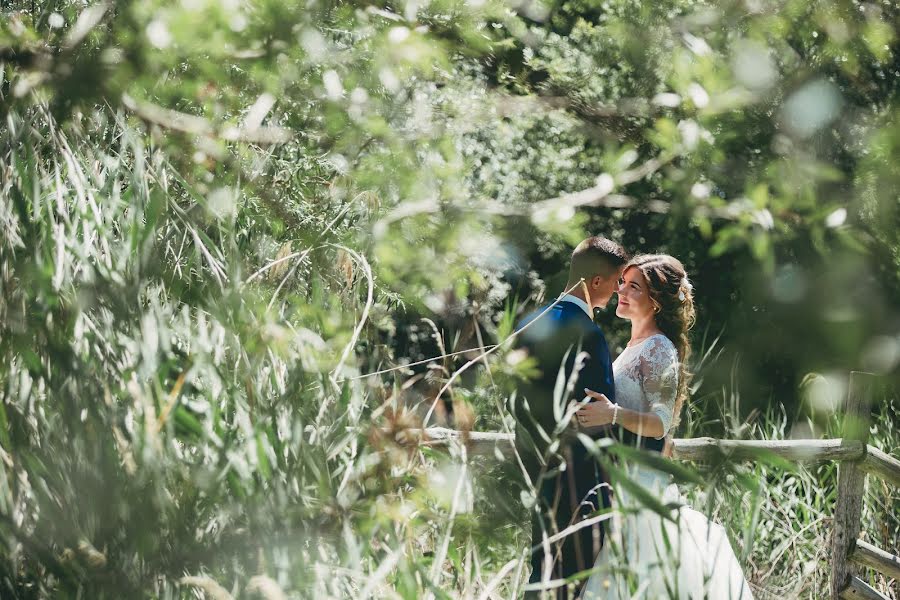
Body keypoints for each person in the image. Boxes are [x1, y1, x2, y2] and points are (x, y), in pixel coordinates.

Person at [577, 254, 754, 600]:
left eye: (634, 287)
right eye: (622, 283)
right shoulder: (633, 347)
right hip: (622, 481)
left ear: (656, 302)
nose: (621, 291)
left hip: (644, 490)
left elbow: (660, 423)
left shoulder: (659, 348)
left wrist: (611, 414)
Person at [512, 236, 627, 599]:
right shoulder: (589, 335)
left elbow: (517, 402)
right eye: (616, 281)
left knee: (542, 570)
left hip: (535, 468)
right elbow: (601, 416)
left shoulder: (530, 322)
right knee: (573, 580)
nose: (618, 290)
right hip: (579, 482)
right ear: (596, 282)